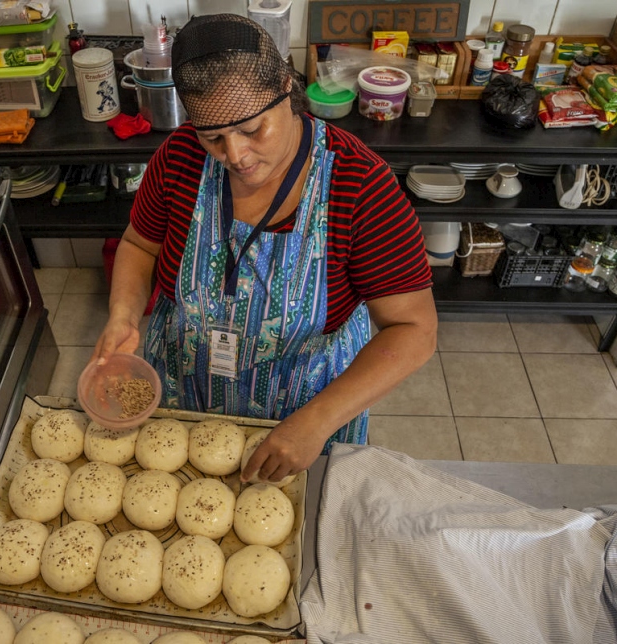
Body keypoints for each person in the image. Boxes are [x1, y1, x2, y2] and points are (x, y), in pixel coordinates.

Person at [92, 13, 437, 483]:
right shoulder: (178, 160)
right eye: (213, 136)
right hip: (184, 391)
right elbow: (138, 245)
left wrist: (315, 423)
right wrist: (124, 316)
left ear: (287, 89)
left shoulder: (359, 186)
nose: (235, 156)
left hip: (304, 412)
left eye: (253, 129)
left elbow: (413, 329)